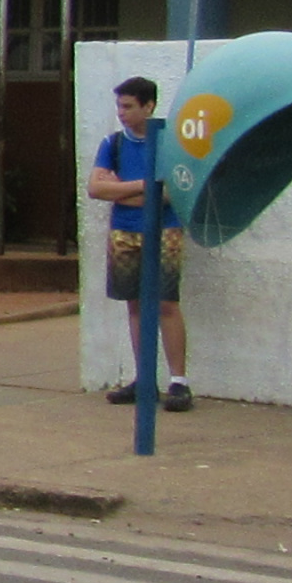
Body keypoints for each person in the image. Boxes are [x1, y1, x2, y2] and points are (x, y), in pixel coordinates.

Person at [85, 74, 189, 410]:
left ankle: (178, 381)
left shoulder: (170, 143)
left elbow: (173, 194)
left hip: (164, 230)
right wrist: (145, 186)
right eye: (119, 105)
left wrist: (123, 189)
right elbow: (96, 189)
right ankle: (145, 378)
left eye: (129, 106)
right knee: (134, 303)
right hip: (124, 231)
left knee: (165, 303)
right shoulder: (113, 144)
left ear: (149, 106)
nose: (122, 113)